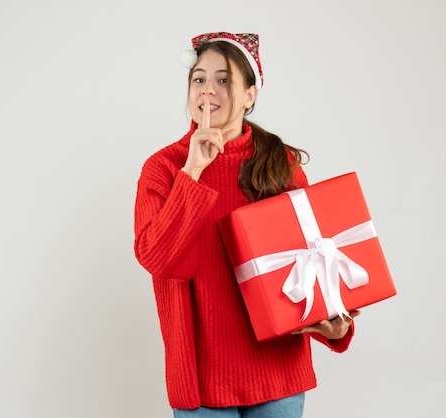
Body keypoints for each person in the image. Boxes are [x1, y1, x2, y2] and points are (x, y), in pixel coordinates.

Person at [133, 32, 361, 418]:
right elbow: (162, 262)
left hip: (279, 375)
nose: (209, 90)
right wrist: (192, 172)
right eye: (199, 79)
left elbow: (315, 257)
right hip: (201, 383)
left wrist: (337, 325)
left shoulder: (280, 163)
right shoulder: (164, 168)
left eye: (224, 80)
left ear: (250, 95)